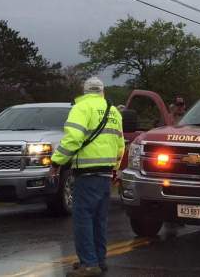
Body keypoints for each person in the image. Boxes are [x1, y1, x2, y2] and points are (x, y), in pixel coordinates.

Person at [50, 77, 124, 277]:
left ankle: (89, 264)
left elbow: (73, 139)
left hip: (87, 173)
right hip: (105, 174)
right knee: (99, 219)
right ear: (102, 91)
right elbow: (120, 145)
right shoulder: (114, 111)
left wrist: (56, 162)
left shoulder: (81, 108)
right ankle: (99, 259)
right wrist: (114, 169)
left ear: (84, 91)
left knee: (83, 219)